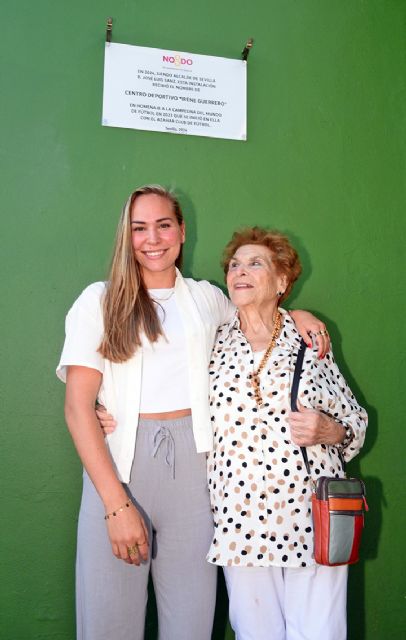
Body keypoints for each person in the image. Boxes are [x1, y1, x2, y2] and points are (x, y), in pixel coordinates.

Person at [56, 185, 329, 640]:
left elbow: (259, 311)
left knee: (191, 625)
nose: (152, 238)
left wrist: (297, 313)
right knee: (108, 625)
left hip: (197, 473)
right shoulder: (97, 301)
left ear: (181, 232)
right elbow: (77, 407)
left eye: (164, 225)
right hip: (119, 466)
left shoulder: (207, 299)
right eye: (139, 228)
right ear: (127, 235)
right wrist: (115, 504)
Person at [206, 226, 367, 640]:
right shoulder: (211, 339)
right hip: (239, 517)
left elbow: (356, 422)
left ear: (282, 282)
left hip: (308, 513)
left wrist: (329, 428)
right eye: (234, 265)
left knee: (320, 632)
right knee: (253, 632)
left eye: (255, 263)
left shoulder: (308, 339)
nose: (240, 272)